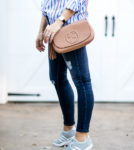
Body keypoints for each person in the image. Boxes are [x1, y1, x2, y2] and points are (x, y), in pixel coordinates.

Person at [36, 0, 94, 149]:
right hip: (53, 32)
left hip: (70, 31)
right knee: (57, 79)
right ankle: (69, 130)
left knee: (82, 82)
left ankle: (82, 138)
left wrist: (60, 21)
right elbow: (47, 6)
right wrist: (41, 30)